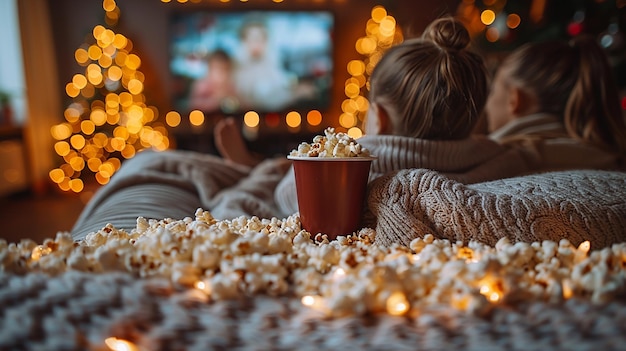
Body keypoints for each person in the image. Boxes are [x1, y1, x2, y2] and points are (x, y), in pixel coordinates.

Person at [216, 17, 531, 217]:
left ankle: (253, 166)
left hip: (301, 183)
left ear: (378, 118)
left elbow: (286, 196)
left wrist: (267, 175)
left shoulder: (362, 166)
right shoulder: (503, 161)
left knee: (283, 169)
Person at [484, 35, 626, 172]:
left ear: (514, 100)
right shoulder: (611, 161)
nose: (487, 104)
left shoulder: (486, 165)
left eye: (492, 91)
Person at [232, 18, 316, 111]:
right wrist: (296, 94)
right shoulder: (237, 67)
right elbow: (262, 102)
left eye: (261, 39)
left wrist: (297, 89)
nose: (257, 43)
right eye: (253, 39)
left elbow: (280, 84)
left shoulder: (270, 61)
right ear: (243, 41)